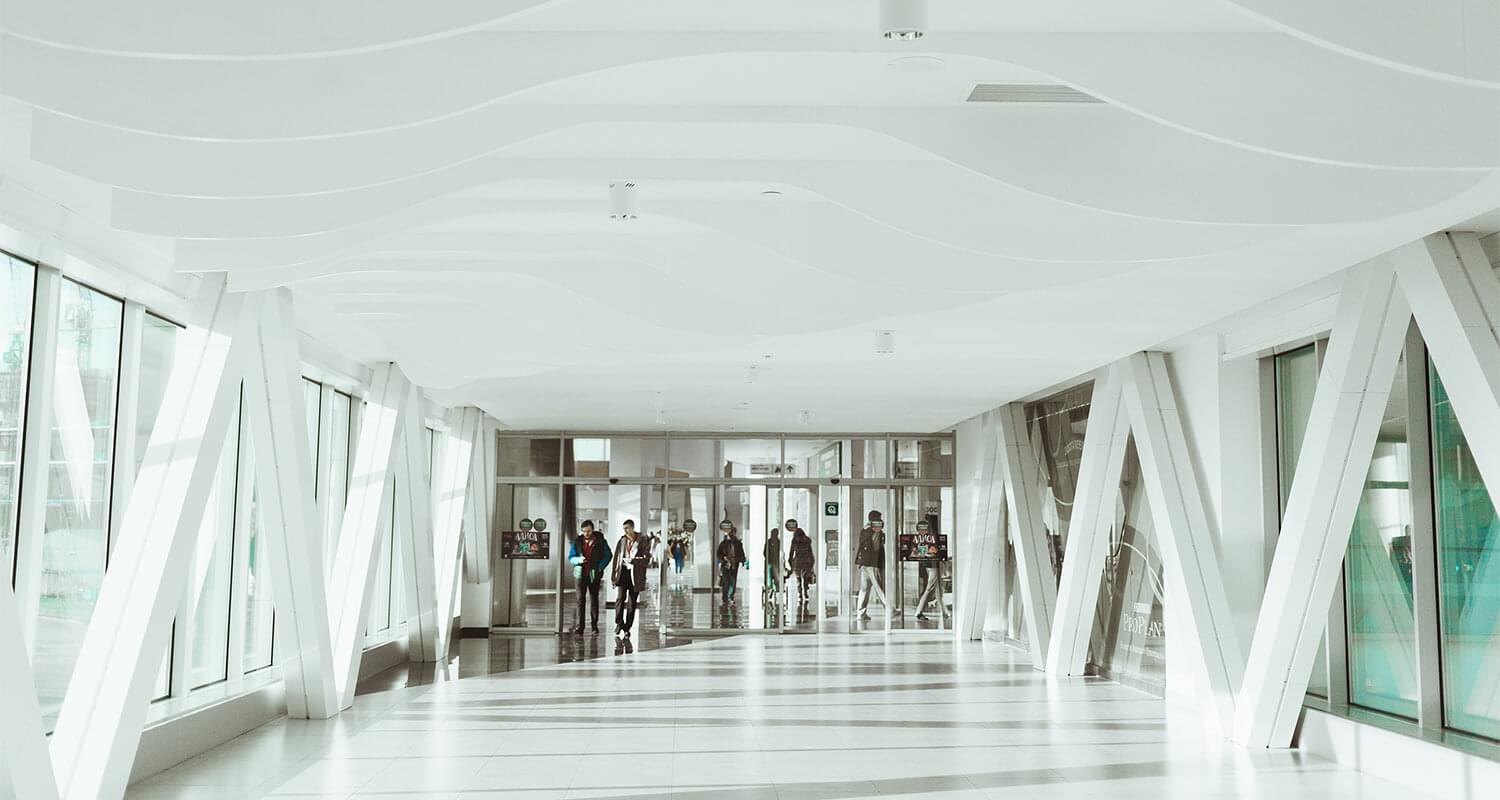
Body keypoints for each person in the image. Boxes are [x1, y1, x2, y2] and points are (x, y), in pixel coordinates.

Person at [568, 520, 612, 634]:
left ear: (592, 530)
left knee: (594, 600)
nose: (586, 533)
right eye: (584, 531)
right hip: (580, 575)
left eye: (588, 531)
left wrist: (600, 567)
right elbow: (571, 557)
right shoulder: (577, 542)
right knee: (580, 600)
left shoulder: (600, 541)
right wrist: (578, 560)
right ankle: (580, 626)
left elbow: (608, 555)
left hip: (594, 574)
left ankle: (594, 626)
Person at [611, 519, 652, 637]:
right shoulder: (622, 540)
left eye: (627, 528)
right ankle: (619, 623)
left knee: (632, 603)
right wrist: (613, 578)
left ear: (633, 528)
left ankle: (627, 628)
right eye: (624, 528)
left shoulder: (643, 540)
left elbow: (646, 559)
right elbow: (616, 559)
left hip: (636, 575)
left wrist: (633, 561)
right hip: (623, 573)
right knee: (620, 599)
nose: (625, 531)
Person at [855, 510, 890, 621]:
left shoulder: (864, 530)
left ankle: (861, 613)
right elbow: (876, 547)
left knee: (864, 589)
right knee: (880, 587)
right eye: (879, 519)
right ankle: (890, 610)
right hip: (873, 563)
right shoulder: (874, 531)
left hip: (864, 563)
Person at [716, 521, 748, 609]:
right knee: (726, 581)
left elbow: (741, 554)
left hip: (734, 565)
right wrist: (723, 560)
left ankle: (730, 596)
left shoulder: (738, 543)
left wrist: (741, 560)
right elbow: (719, 554)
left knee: (732, 582)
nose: (731, 535)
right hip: (726, 565)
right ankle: (725, 597)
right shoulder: (724, 544)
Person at [785, 518, 816, 610]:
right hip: (806, 560)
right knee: (805, 578)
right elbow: (810, 552)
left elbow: (791, 552)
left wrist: (790, 562)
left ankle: (800, 594)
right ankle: (805, 592)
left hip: (798, 561)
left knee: (799, 579)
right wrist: (812, 562)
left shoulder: (794, 541)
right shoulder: (807, 541)